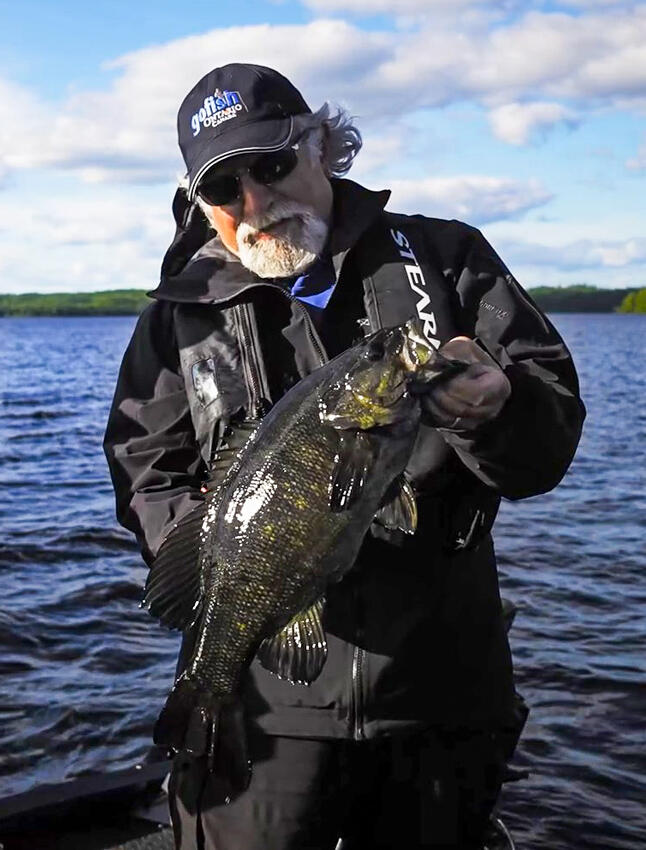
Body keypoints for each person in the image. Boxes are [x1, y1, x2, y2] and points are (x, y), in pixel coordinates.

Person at [104, 63, 585, 850]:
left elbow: (547, 448)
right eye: (226, 190)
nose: (256, 202)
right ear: (200, 205)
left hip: (440, 687)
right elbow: (142, 463)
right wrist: (222, 549)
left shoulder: (449, 259)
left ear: (323, 145)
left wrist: (499, 409)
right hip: (265, 703)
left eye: (272, 164)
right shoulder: (179, 315)